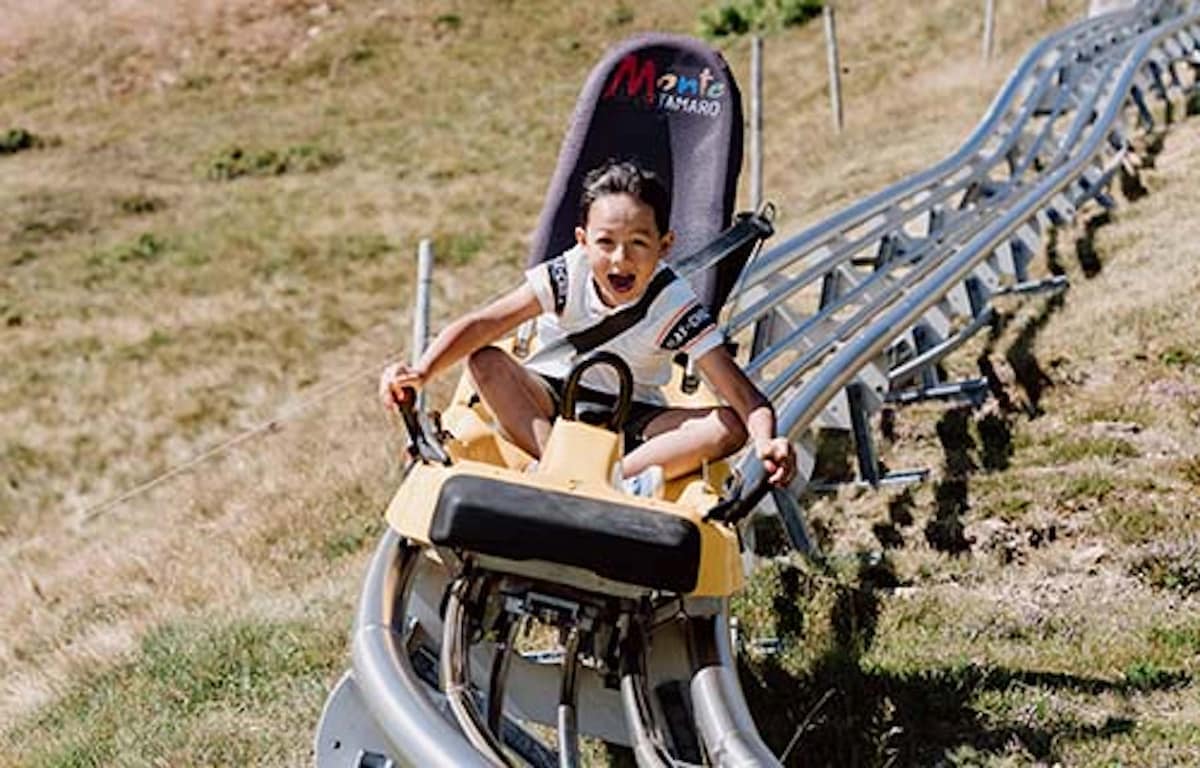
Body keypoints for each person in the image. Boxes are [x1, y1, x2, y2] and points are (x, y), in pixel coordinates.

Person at [380, 160, 795, 494]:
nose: (620, 259)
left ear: (665, 246)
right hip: (550, 397)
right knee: (485, 362)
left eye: (638, 243)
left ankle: (615, 479)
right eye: (605, 242)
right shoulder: (567, 275)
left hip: (634, 414)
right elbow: (485, 324)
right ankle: (555, 468)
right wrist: (421, 371)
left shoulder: (673, 304)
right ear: (582, 240)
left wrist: (766, 441)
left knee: (730, 426)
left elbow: (744, 396)